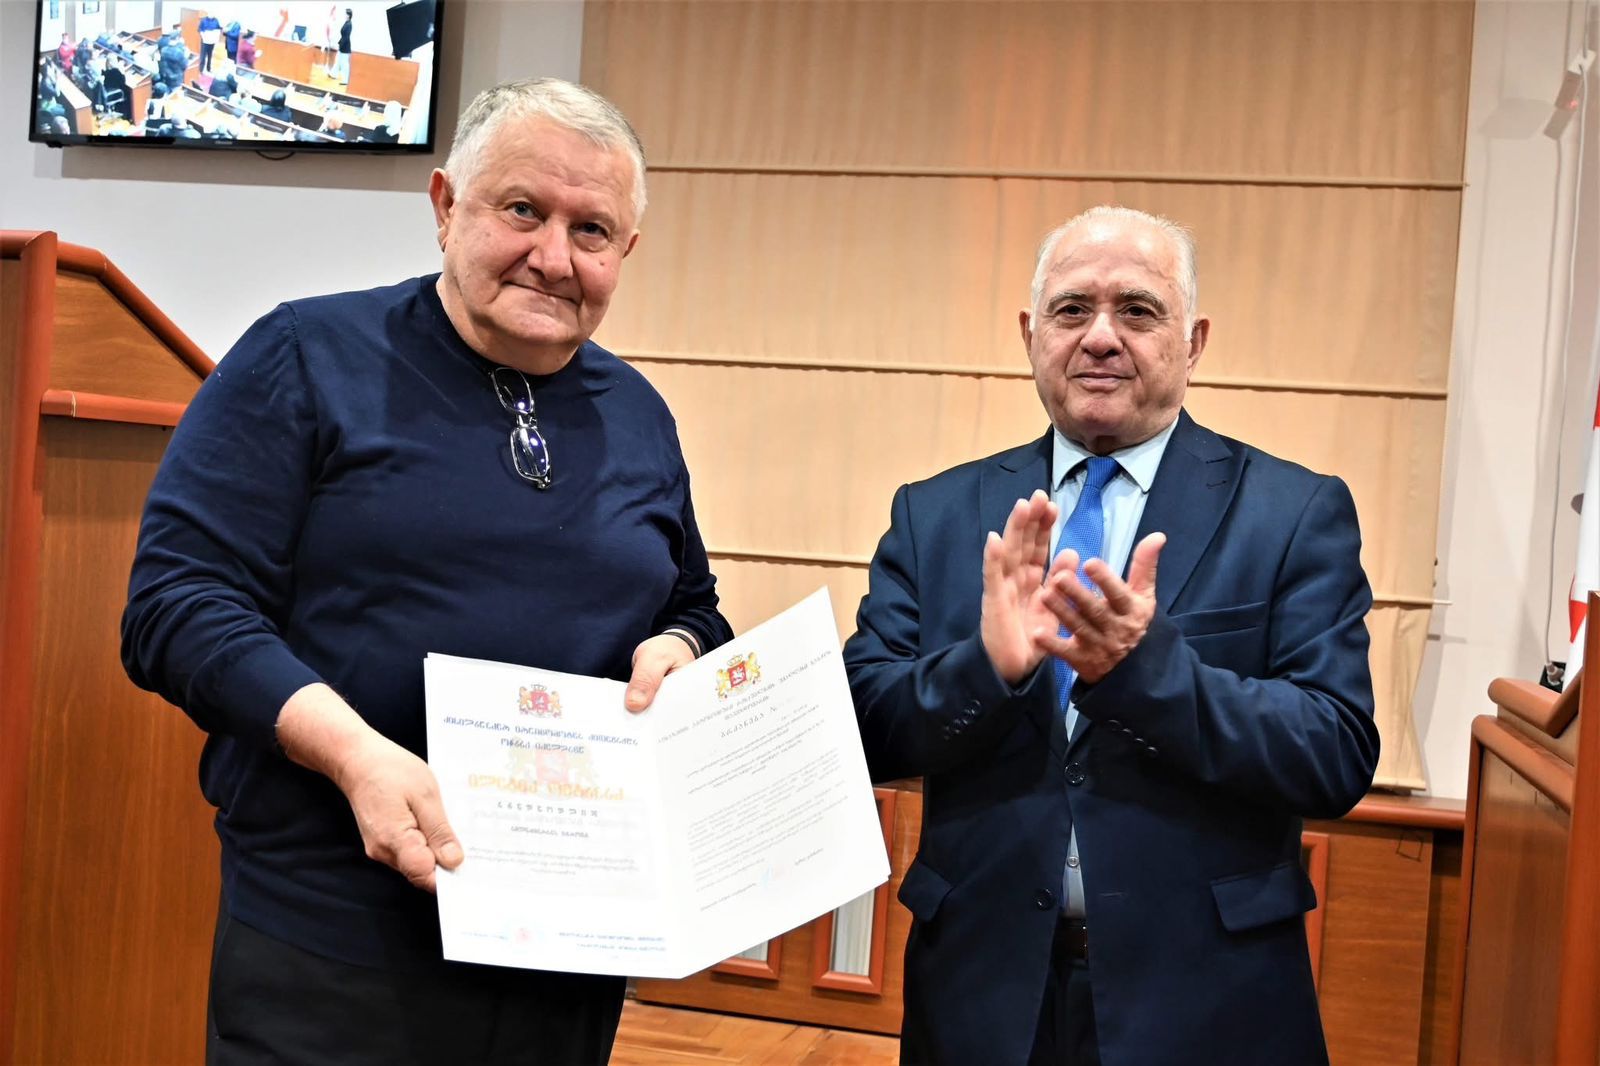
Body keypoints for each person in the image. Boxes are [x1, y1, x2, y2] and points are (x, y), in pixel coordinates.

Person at [122, 77, 729, 1065]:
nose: (553, 256)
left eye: (590, 230)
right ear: (446, 206)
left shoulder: (639, 416)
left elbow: (692, 604)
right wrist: (353, 753)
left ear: (625, 252)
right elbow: (175, 606)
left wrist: (681, 645)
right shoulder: (304, 357)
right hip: (336, 942)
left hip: (566, 949)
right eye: (522, 209)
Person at [842, 205, 1379, 1066]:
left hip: (1207, 1005)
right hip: (981, 999)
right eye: (1071, 310)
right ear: (1030, 335)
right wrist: (986, 668)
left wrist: (1146, 672)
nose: (1100, 337)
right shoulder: (935, 513)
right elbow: (863, 727)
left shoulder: (1293, 513)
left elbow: (1336, 752)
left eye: (1137, 310)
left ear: (1193, 342)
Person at [333, 7, 352, 83]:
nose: (344, 15)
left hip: (345, 47)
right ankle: (334, 74)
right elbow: (343, 35)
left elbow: (346, 37)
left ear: (348, 15)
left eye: (345, 14)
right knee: (338, 61)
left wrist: (340, 45)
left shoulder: (349, 24)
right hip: (342, 45)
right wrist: (339, 43)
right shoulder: (346, 23)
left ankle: (345, 80)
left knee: (344, 64)